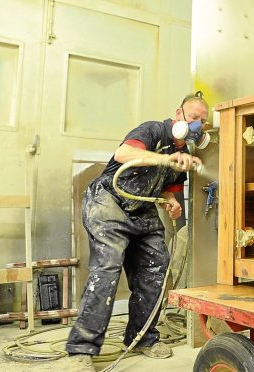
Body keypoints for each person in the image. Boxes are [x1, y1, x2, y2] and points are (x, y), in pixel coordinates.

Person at [66, 92, 209, 361]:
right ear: (178, 115)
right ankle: (81, 349)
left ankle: (142, 338)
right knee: (107, 269)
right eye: (193, 118)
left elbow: (168, 190)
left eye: (202, 121)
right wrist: (166, 159)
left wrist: (171, 202)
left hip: (141, 208)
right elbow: (123, 153)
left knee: (156, 265)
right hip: (109, 200)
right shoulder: (153, 130)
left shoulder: (183, 153)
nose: (197, 125)